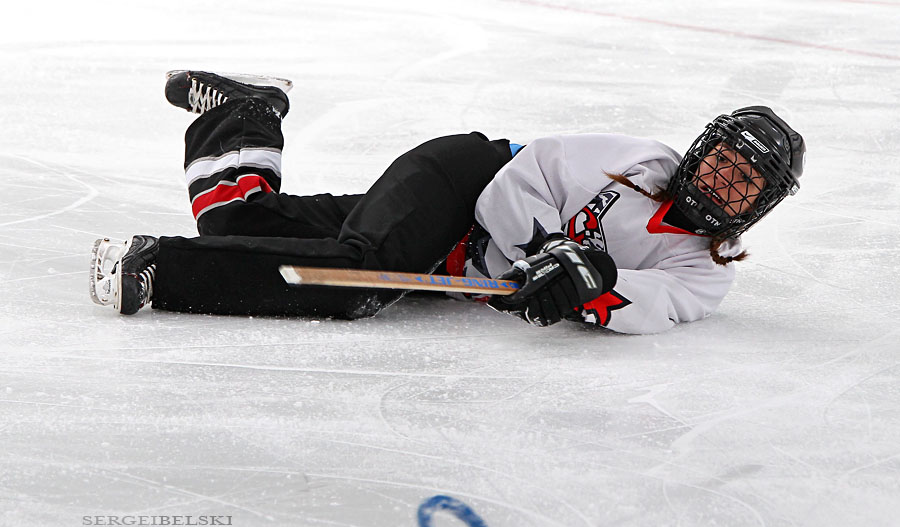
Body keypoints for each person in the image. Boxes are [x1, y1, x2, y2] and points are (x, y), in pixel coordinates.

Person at [89, 70, 805, 334]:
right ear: (703, 147)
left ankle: (243, 114)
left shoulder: (706, 272)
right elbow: (520, 180)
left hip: (450, 253)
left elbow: (646, 304)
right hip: (460, 182)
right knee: (355, 280)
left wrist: (594, 287)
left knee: (235, 221)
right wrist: (549, 252)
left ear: (758, 204)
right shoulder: (641, 160)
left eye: (743, 181)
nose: (720, 181)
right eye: (722, 161)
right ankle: (158, 270)